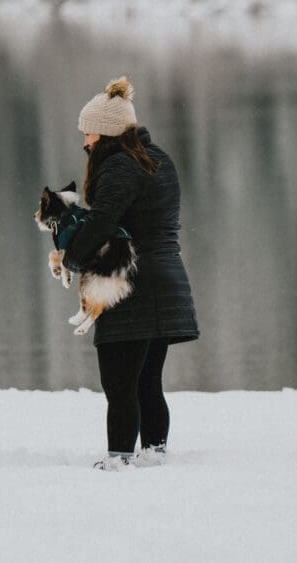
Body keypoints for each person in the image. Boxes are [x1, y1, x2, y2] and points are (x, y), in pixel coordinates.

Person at [63, 76, 199, 470]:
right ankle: (153, 454)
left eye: (88, 132)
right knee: (146, 381)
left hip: (132, 284)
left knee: (119, 381)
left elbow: (104, 221)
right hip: (165, 278)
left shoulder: (121, 165)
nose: (85, 141)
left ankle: (119, 459)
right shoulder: (156, 158)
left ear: (105, 133)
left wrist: (71, 256)